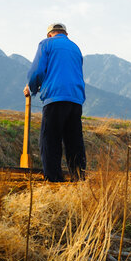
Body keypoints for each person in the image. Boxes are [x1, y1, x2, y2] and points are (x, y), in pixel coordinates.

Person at [23, 23, 86, 182]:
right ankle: (78, 178)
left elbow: (37, 71)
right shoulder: (75, 48)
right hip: (76, 99)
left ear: (49, 34)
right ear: (66, 34)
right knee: (74, 141)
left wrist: (32, 88)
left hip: (55, 97)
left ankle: (53, 179)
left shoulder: (46, 44)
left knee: (50, 139)